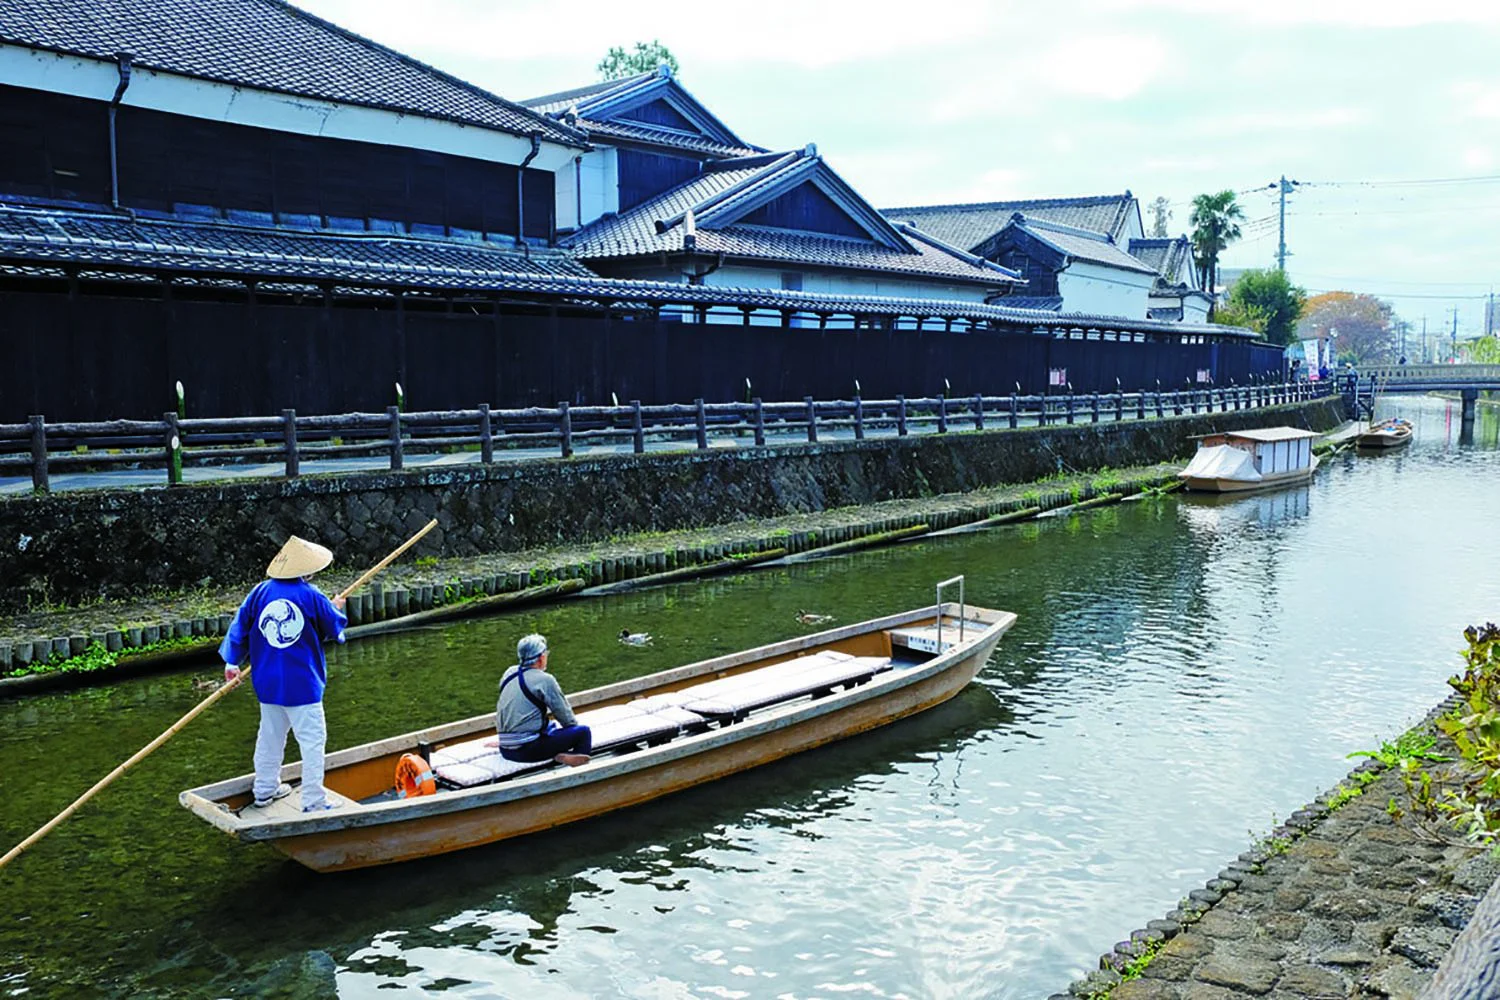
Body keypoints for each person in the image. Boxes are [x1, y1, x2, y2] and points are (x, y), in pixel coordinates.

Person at [220, 536, 348, 811]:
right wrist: (335, 607)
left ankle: (264, 790)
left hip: (268, 681)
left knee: (270, 737)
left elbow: (239, 626)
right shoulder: (312, 595)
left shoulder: (260, 592)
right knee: (312, 742)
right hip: (302, 683)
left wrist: (232, 662)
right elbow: (334, 629)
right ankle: (314, 801)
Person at [494, 634, 591, 767]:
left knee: (550, 726)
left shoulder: (509, 673)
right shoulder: (545, 680)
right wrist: (572, 733)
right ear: (541, 658)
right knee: (583, 733)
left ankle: (560, 753)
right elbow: (564, 715)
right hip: (527, 750)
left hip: (505, 749)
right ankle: (575, 764)